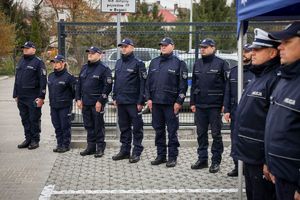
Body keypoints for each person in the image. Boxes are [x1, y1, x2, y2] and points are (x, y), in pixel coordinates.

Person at [234, 28, 281, 200]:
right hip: (250, 155)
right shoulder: (259, 76)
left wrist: (268, 160)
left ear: (272, 52)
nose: (252, 53)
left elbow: (275, 125)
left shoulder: (275, 79)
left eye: (257, 49)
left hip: (261, 158)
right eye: (252, 49)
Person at [264, 22, 300, 200]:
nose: (280, 47)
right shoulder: (285, 79)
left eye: (287, 42)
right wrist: (269, 162)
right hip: (280, 175)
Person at [145, 37, 188, 168]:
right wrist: (149, 99)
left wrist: (179, 102)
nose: (162, 47)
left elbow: (183, 85)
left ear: (172, 46)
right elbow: (148, 83)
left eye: (165, 45)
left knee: (172, 131)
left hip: (170, 104)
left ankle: (172, 157)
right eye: (161, 45)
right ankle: (161, 155)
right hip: (156, 104)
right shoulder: (154, 62)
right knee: (158, 131)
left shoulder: (179, 63)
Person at [190, 38, 229, 173]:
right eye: (201, 47)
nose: (202, 49)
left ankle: (216, 161)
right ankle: (202, 159)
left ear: (213, 48)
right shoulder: (197, 64)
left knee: (216, 134)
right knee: (201, 134)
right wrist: (192, 102)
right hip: (200, 105)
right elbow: (194, 84)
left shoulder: (222, 64)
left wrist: (225, 104)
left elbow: (227, 86)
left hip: (215, 106)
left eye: (205, 47)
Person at [112, 38, 147, 163]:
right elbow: (116, 81)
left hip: (133, 102)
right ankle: (125, 150)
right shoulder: (118, 63)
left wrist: (141, 101)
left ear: (132, 47)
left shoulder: (138, 63)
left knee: (137, 128)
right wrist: (114, 97)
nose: (123, 48)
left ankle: (136, 152)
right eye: (122, 46)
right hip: (121, 102)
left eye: (126, 46)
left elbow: (143, 84)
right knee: (124, 128)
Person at [75, 46, 112, 158]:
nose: (90, 54)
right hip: (85, 102)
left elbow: (108, 86)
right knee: (88, 126)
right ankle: (91, 147)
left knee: (98, 126)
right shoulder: (84, 67)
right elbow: (79, 84)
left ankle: (100, 147)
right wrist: (78, 99)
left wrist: (101, 101)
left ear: (99, 55)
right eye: (89, 53)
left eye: (92, 53)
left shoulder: (104, 69)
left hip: (97, 103)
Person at [223, 44, 254, 177]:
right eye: (242, 51)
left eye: (246, 51)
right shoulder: (234, 71)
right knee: (235, 140)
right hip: (236, 112)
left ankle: (249, 168)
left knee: (249, 140)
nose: (243, 54)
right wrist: (227, 110)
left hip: (251, 114)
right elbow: (228, 92)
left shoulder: (256, 72)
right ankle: (237, 166)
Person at [13, 41, 47, 150]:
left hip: (33, 97)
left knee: (34, 119)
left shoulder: (38, 62)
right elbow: (17, 79)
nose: (25, 50)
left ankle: (35, 140)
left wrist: (41, 97)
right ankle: (27, 139)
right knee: (25, 119)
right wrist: (15, 94)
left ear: (34, 49)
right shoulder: (21, 61)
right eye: (24, 48)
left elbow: (43, 81)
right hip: (21, 97)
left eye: (27, 48)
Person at [48, 55, 76, 153]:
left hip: (64, 106)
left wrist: (67, 100)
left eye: (57, 62)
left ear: (63, 63)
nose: (55, 64)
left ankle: (65, 145)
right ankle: (59, 144)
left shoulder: (69, 77)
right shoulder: (50, 76)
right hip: (53, 106)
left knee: (65, 126)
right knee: (57, 126)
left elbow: (74, 92)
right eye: (53, 62)